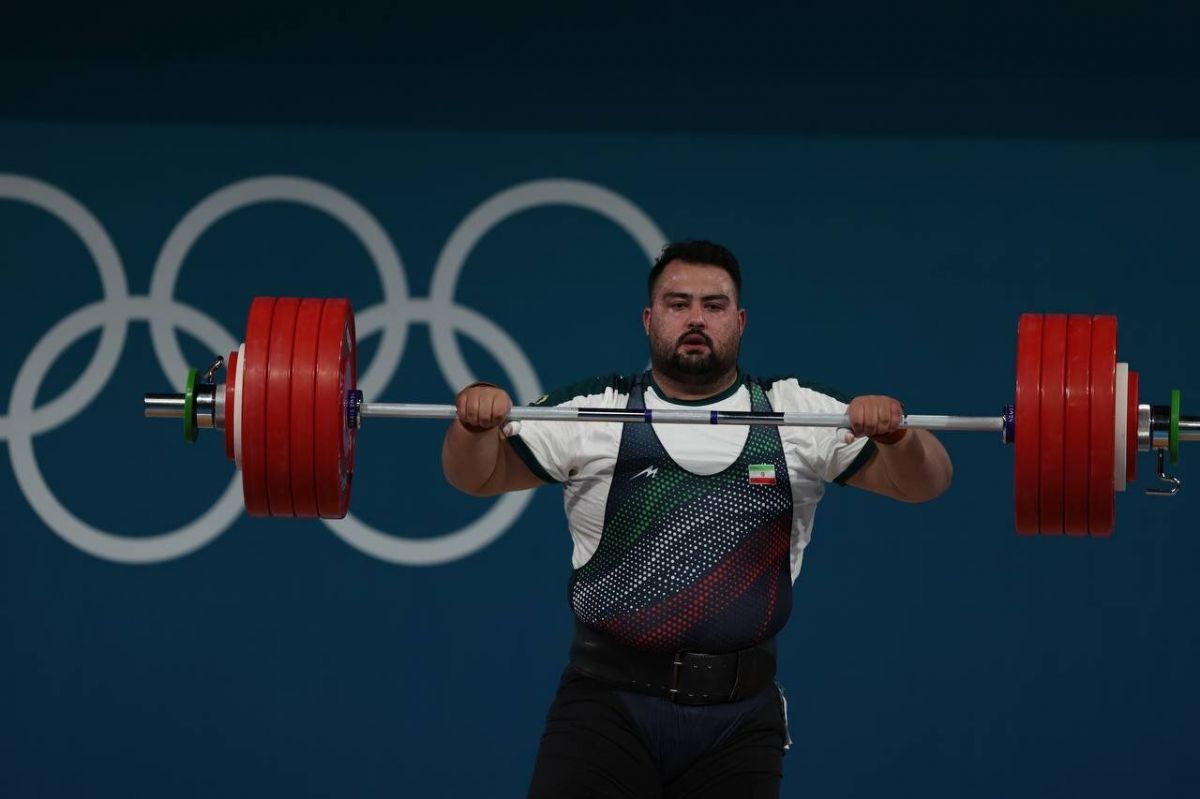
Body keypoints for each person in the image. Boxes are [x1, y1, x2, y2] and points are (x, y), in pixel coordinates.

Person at [442, 240, 953, 798]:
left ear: (740, 320)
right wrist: (473, 426)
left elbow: (925, 484)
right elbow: (477, 477)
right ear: (648, 318)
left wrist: (899, 435)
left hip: (738, 723)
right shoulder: (596, 409)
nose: (694, 318)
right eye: (676, 303)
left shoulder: (799, 413)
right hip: (606, 709)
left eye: (713, 306)